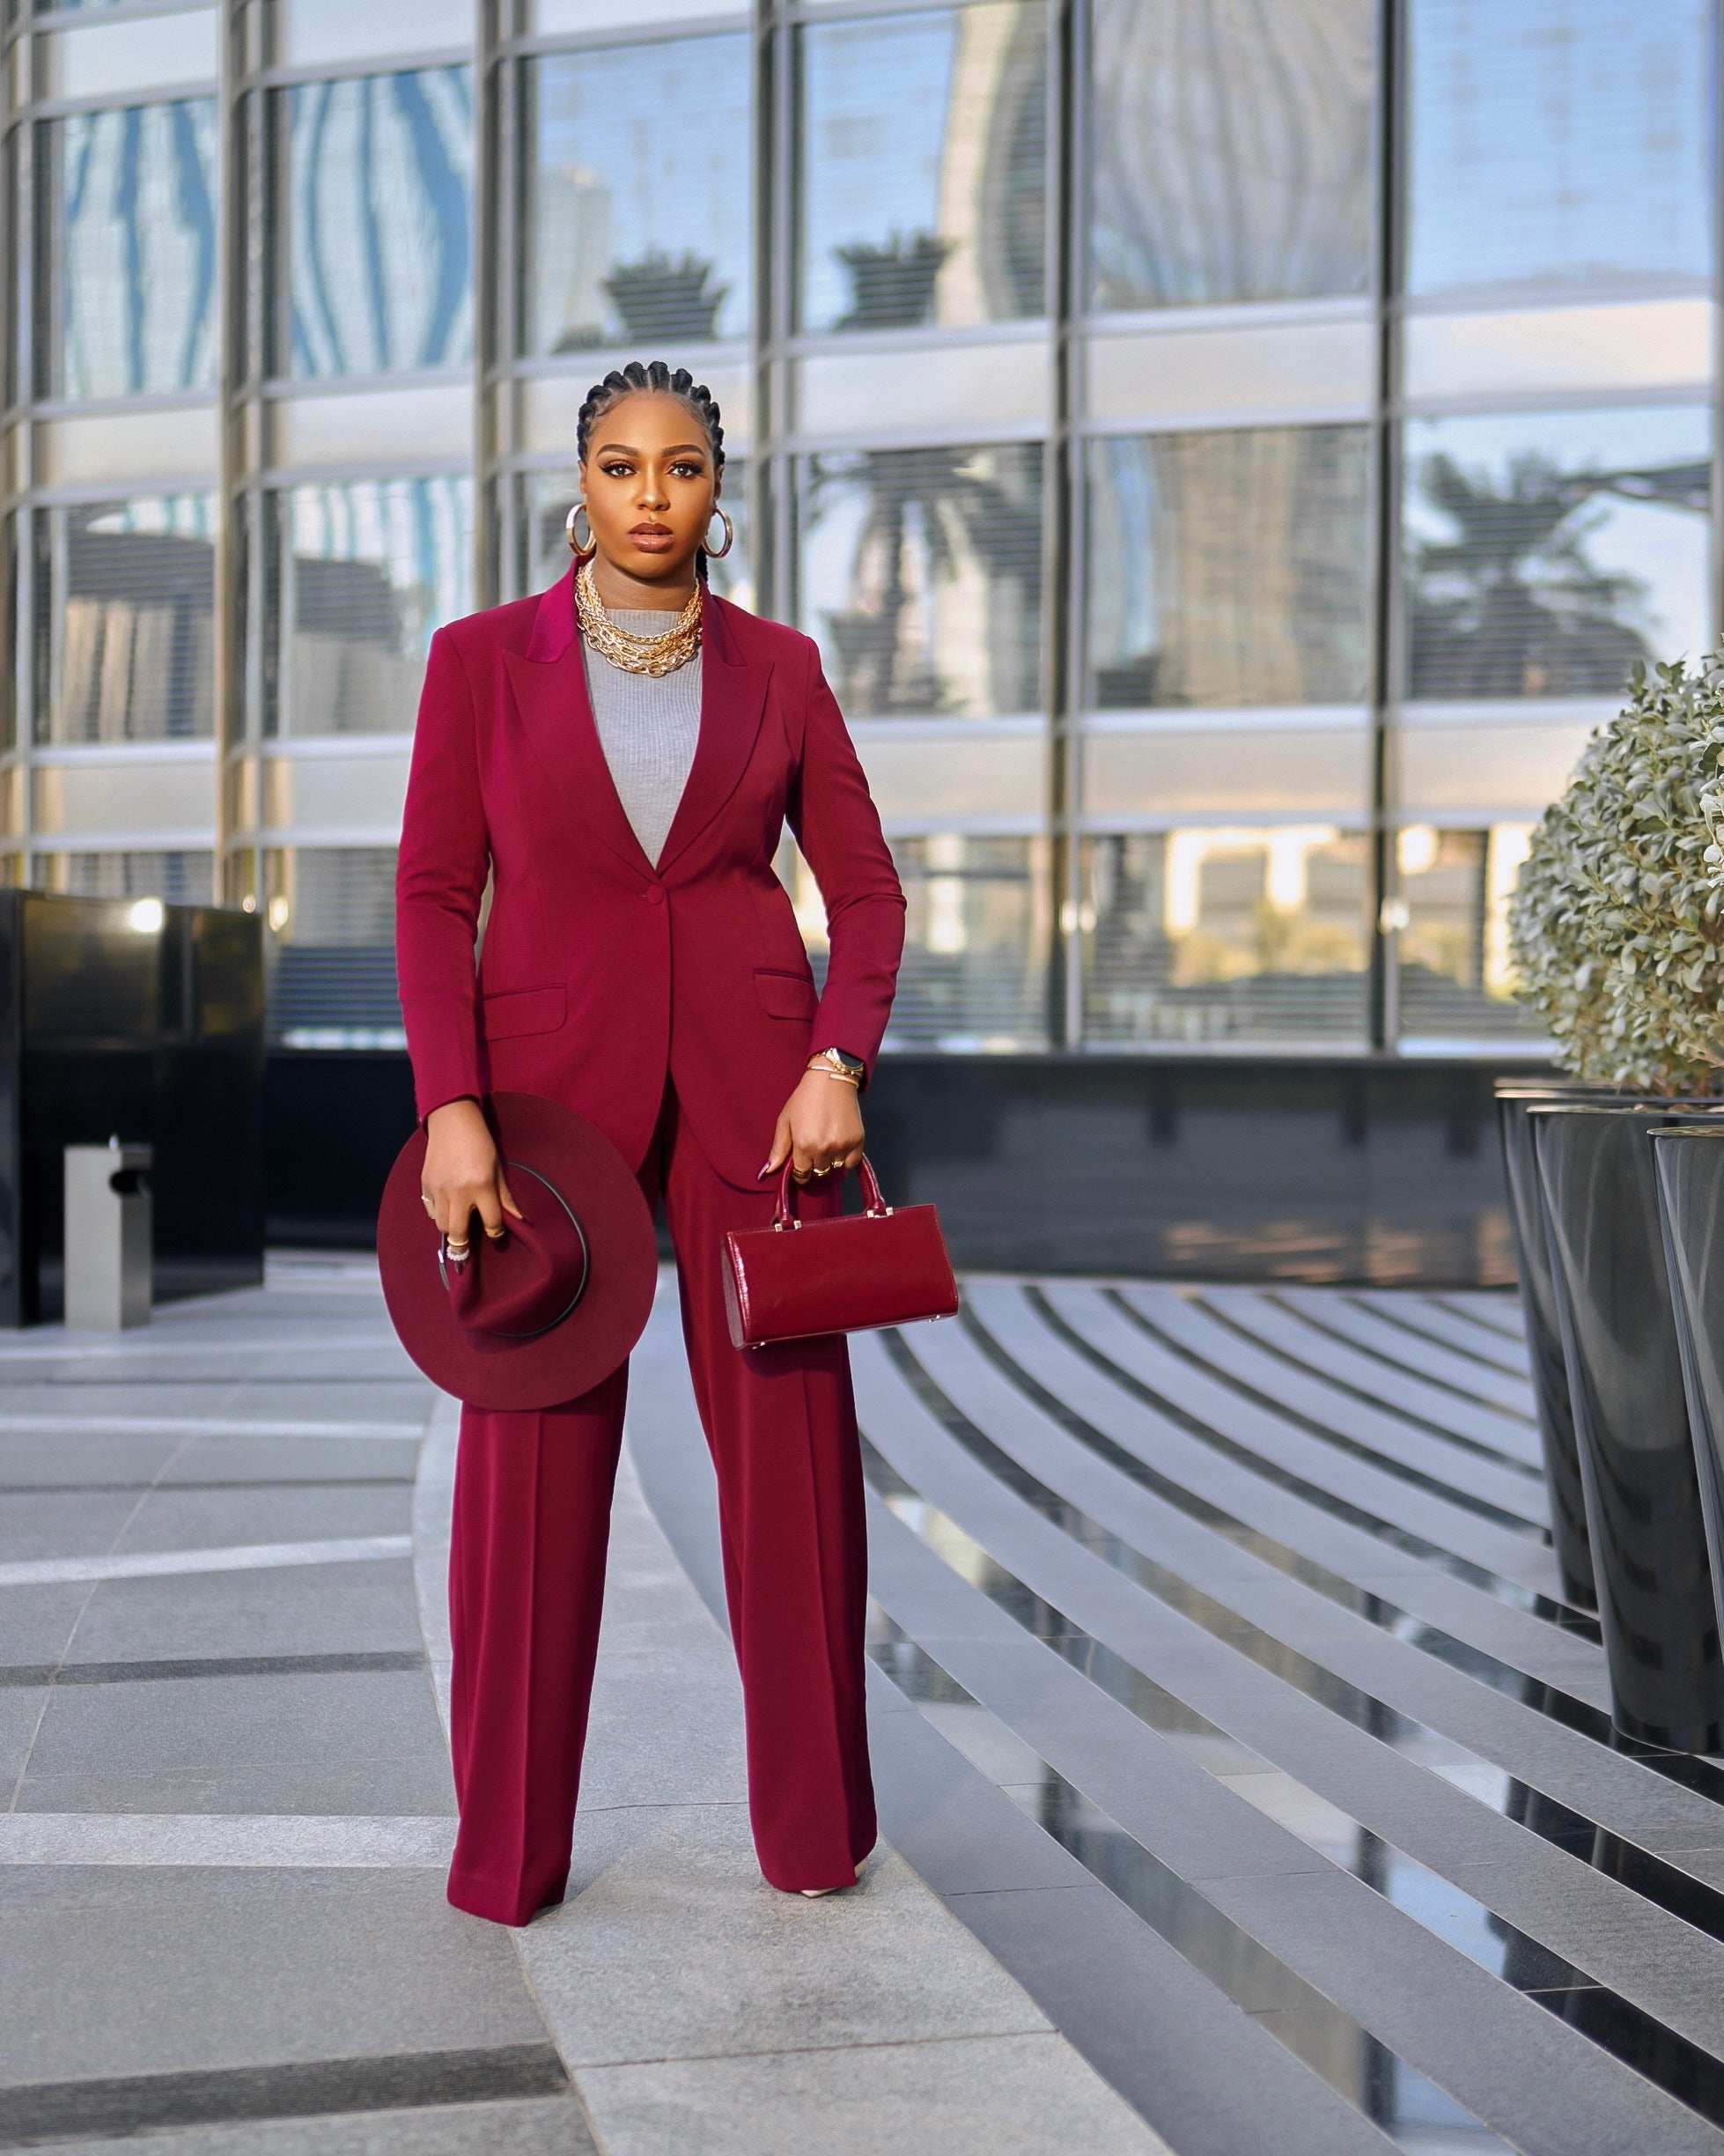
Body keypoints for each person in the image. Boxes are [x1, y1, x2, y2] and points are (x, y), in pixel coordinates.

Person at [394, 359, 906, 1926]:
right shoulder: (481, 661)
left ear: (717, 488)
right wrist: (451, 1105)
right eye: (620, 467)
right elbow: (429, 894)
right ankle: (509, 1858)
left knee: (795, 1472)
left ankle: (815, 1835)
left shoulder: (785, 667)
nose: (650, 496)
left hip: (763, 1109)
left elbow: (868, 892)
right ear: (581, 482)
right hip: (547, 1113)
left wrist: (838, 1058)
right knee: (527, 1485)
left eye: (679, 468)